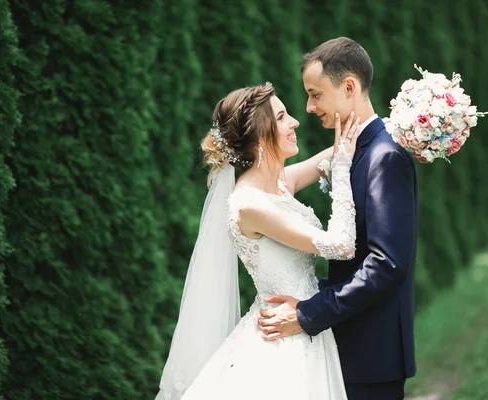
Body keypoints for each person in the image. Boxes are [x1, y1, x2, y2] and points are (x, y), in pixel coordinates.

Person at [155, 81, 362, 400]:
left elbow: (335, 154)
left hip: (303, 327)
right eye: (282, 117)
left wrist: (402, 122)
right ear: (260, 135)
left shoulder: (279, 185)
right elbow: (341, 245)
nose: (294, 122)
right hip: (281, 343)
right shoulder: (250, 206)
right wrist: (345, 169)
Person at [257, 37, 419, 400]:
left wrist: (308, 312)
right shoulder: (351, 150)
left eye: (316, 94)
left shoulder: (384, 158)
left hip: (371, 355)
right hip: (344, 345)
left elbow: (386, 265)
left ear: (349, 87)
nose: (309, 107)